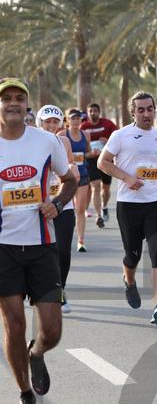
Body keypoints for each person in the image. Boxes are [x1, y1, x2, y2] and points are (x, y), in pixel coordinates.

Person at [0, 79, 77, 404]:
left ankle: (36, 353)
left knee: (53, 330)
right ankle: (24, 395)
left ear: (27, 105)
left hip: (43, 246)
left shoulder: (46, 141)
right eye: (6, 99)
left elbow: (70, 180)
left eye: (19, 98)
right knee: (14, 325)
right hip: (3, 249)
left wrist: (57, 204)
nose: (13, 103)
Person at [98, 90, 157, 326]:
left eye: (150, 109)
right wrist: (127, 178)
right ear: (133, 113)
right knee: (132, 255)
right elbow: (103, 162)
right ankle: (129, 281)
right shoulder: (121, 135)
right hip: (129, 205)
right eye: (141, 110)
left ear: (155, 110)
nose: (146, 114)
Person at [36, 105, 81, 314]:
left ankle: (60, 291)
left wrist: (73, 168)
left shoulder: (64, 142)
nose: (52, 125)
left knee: (63, 251)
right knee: (42, 251)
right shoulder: (31, 142)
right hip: (39, 205)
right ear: (40, 122)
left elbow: (70, 165)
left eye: (55, 122)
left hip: (63, 203)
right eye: (48, 122)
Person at [81, 102, 117, 227]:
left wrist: (107, 141)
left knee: (105, 189)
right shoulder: (83, 127)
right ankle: (99, 216)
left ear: (99, 112)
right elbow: (80, 146)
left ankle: (104, 206)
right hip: (91, 161)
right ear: (87, 113)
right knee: (95, 186)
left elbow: (118, 138)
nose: (93, 113)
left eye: (95, 111)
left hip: (106, 159)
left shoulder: (107, 124)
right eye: (90, 111)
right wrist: (88, 153)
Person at [60, 108, 91, 252]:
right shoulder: (62, 135)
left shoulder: (85, 134)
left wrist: (94, 153)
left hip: (82, 175)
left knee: (80, 209)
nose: (76, 120)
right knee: (65, 209)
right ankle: (63, 238)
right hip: (65, 177)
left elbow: (87, 152)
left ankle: (81, 240)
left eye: (78, 118)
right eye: (73, 118)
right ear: (67, 120)